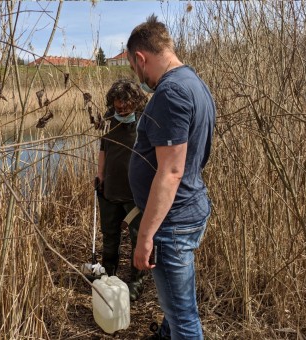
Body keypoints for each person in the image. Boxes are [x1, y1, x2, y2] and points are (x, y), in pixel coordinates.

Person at [126, 15, 216, 340]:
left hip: (172, 224)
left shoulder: (170, 93)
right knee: (176, 304)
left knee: (184, 319)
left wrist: (145, 236)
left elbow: (172, 171)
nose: (139, 77)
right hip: (185, 210)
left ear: (140, 58)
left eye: (136, 69)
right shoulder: (194, 83)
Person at [95, 78, 148, 302]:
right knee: (110, 234)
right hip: (110, 188)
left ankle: (136, 281)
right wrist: (100, 175)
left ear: (136, 102)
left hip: (136, 193)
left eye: (127, 105)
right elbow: (103, 148)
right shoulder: (108, 119)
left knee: (137, 238)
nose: (122, 108)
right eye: (118, 105)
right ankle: (109, 273)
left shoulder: (146, 122)